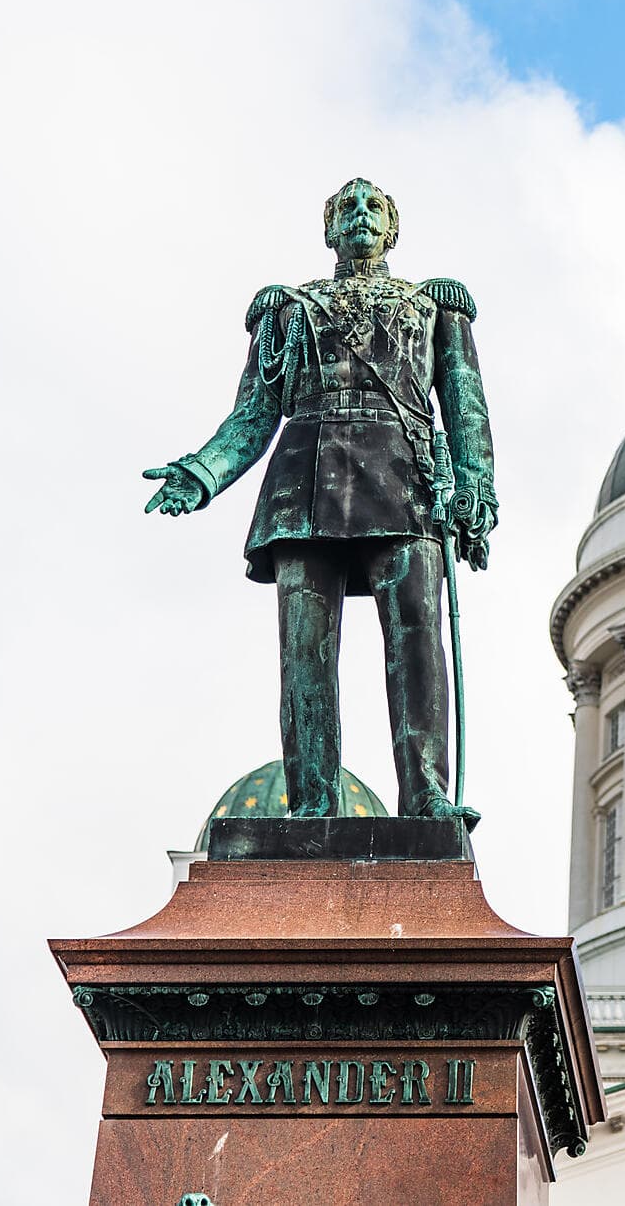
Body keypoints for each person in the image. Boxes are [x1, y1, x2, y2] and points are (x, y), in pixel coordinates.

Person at [142, 179, 493, 824]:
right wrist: (201, 473)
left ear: (391, 230)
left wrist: (472, 484)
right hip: (304, 482)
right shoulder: (290, 310)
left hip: (405, 478)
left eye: (373, 209)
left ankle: (426, 796)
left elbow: (465, 408)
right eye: (346, 210)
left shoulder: (435, 306)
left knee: (418, 642)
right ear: (330, 230)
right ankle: (311, 804)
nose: (360, 217)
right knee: (306, 653)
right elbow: (254, 415)